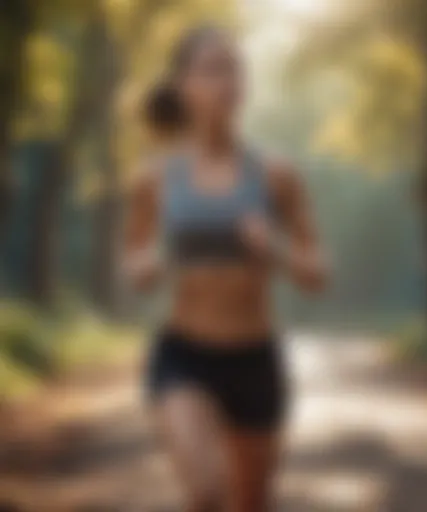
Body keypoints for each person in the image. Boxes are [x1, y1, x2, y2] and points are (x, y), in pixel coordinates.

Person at [124, 25, 328, 512]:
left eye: (235, 68)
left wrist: (273, 249)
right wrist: (154, 262)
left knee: (252, 503)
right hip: (185, 358)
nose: (228, 81)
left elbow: (317, 272)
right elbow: (133, 260)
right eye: (214, 69)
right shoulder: (155, 177)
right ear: (182, 86)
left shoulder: (277, 174)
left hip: (255, 359)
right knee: (207, 493)